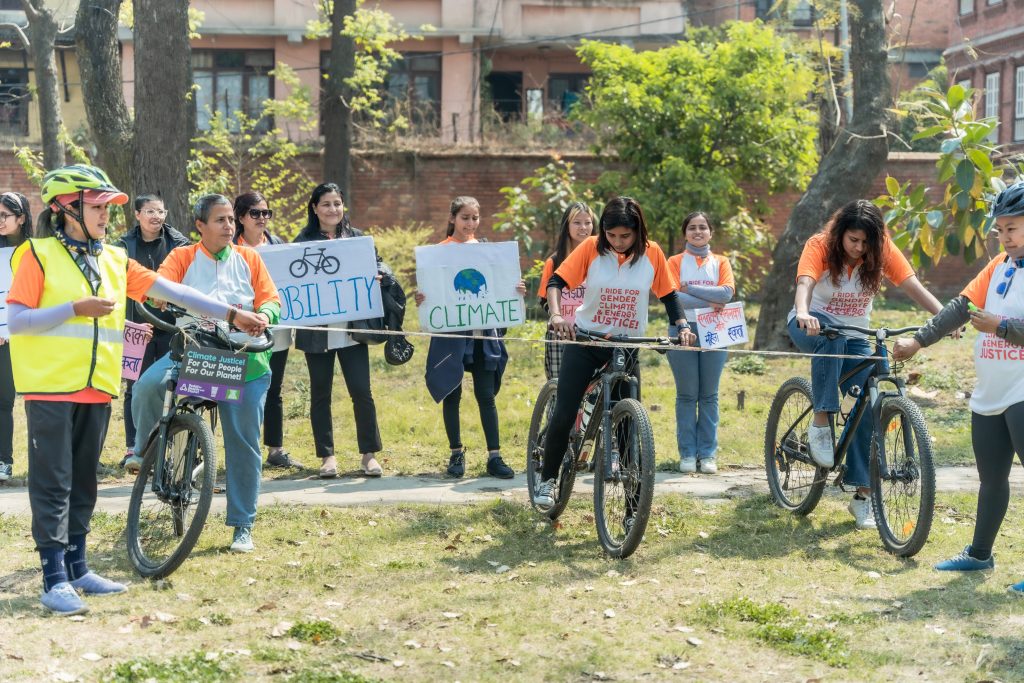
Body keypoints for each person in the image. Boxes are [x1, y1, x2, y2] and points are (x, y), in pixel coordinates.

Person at [7, 165, 267, 615]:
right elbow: (16, 321)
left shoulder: (112, 258)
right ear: (66, 208)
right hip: (50, 388)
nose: (108, 215)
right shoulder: (37, 254)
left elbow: (173, 291)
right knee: (54, 484)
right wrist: (75, 308)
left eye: (109, 207)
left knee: (83, 482)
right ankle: (53, 579)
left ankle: (78, 567)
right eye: (97, 206)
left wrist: (231, 315)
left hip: (96, 390)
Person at [131, 193, 280, 555]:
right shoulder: (181, 256)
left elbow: (272, 301)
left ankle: (242, 525)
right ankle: (144, 451)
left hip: (243, 361)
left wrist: (266, 317)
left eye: (231, 220)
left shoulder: (250, 258)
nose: (229, 226)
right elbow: (160, 287)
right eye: (220, 220)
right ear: (199, 226)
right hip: (192, 354)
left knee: (244, 445)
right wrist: (157, 299)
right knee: (147, 386)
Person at [893, 182, 1024, 587]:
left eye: (1013, 228)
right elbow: (960, 308)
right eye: (1000, 229)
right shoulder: (999, 265)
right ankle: (980, 554)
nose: (1005, 237)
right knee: (991, 479)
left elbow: (999, 323)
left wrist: (1002, 326)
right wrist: (918, 340)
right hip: (989, 393)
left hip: (1023, 391)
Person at [788, 199, 944, 530]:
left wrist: (944, 318)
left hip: (856, 334)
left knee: (872, 404)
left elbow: (913, 286)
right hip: (813, 326)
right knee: (831, 340)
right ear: (840, 234)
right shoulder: (819, 245)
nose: (859, 248)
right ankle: (820, 423)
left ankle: (862, 494)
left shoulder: (881, 249)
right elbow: (804, 284)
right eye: (853, 240)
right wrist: (803, 312)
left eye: (865, 242)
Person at [535, 196, 695, 510]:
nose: (618, 243)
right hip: (586, 342)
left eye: (625, 236)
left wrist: (683, 324)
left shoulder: (653, 253)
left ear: (638, 231)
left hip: (626, 346)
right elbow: (556, 282)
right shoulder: (591, 248)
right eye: (612, 236)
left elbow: (669, 295)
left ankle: (633, 506)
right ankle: (548, 478)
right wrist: (556, 316)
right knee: (565, 411)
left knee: (627, 424)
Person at [415, 196, 524, 480]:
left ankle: (495, 456)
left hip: (482, 337)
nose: (470, 223)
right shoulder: (438, 253)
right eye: (465, 218)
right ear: (452, 218)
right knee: (453, 395)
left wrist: (516, 290)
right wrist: (423, 298)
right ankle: (456, 454)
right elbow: (432, 290)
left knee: (486, 397)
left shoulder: (488, 252)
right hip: (451, 337)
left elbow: (500, 287)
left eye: (475, 218)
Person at [294, 183, 384, 479]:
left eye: (337, 203)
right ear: (315, 208)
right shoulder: (302, 241)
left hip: (352, 331)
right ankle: (327, 457)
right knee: (321, 394)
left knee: (362, 391)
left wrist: (380, 275)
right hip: (317, 333)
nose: (333, 209)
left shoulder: (356, 239)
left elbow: (379, 264)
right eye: (326, 204)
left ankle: (368, 455)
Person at [118, 194, 190, 472]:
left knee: (171, 387)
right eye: (149, 211)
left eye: (160, 211)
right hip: (139, 327)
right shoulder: (123, 247)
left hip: (173, 326)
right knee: (134, 386)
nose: (156, 216)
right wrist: (134, 323)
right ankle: (134, 445)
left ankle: (170, 445)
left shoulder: (180, 245)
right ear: (137, 214)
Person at [666, 212, 735, 475]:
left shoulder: (721, 262)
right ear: (685, 233)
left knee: (709, 395)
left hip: (716, 329)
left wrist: (689, 289)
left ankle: (707, 454)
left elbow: (726, 294)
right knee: (687, 394)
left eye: (702, 227)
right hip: (681, 328)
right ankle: (686, 453)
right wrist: (709, 298)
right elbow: (673, 298)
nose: (697, 232)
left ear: (710, 232)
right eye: (692, 228)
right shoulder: (674, 262)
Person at [233, 190, 297, 470]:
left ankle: (275, 448)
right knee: (238, 388)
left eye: (266, 213)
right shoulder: (230, 247)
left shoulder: (279, 245)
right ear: (241, 217)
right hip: (239, 329)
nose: (262, 218)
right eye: (255, 213)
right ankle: (240, 448)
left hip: (276, 327)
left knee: (274, 386)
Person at [537, 201, 596, 379]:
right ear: (567, 226)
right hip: (560, 335)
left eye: (588, 222)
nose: (583, 228)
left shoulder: (602, 261)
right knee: (559, 388)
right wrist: (559, 319)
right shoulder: (555, 261)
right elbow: (543, 299)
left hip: (592, 335)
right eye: (577, 223)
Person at [0, 192, 31, 482]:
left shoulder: (34, 250)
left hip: (24, 335)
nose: (0, 222)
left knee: (10, 401)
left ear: (21, 218)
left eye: (4, 216)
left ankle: (4, 462)